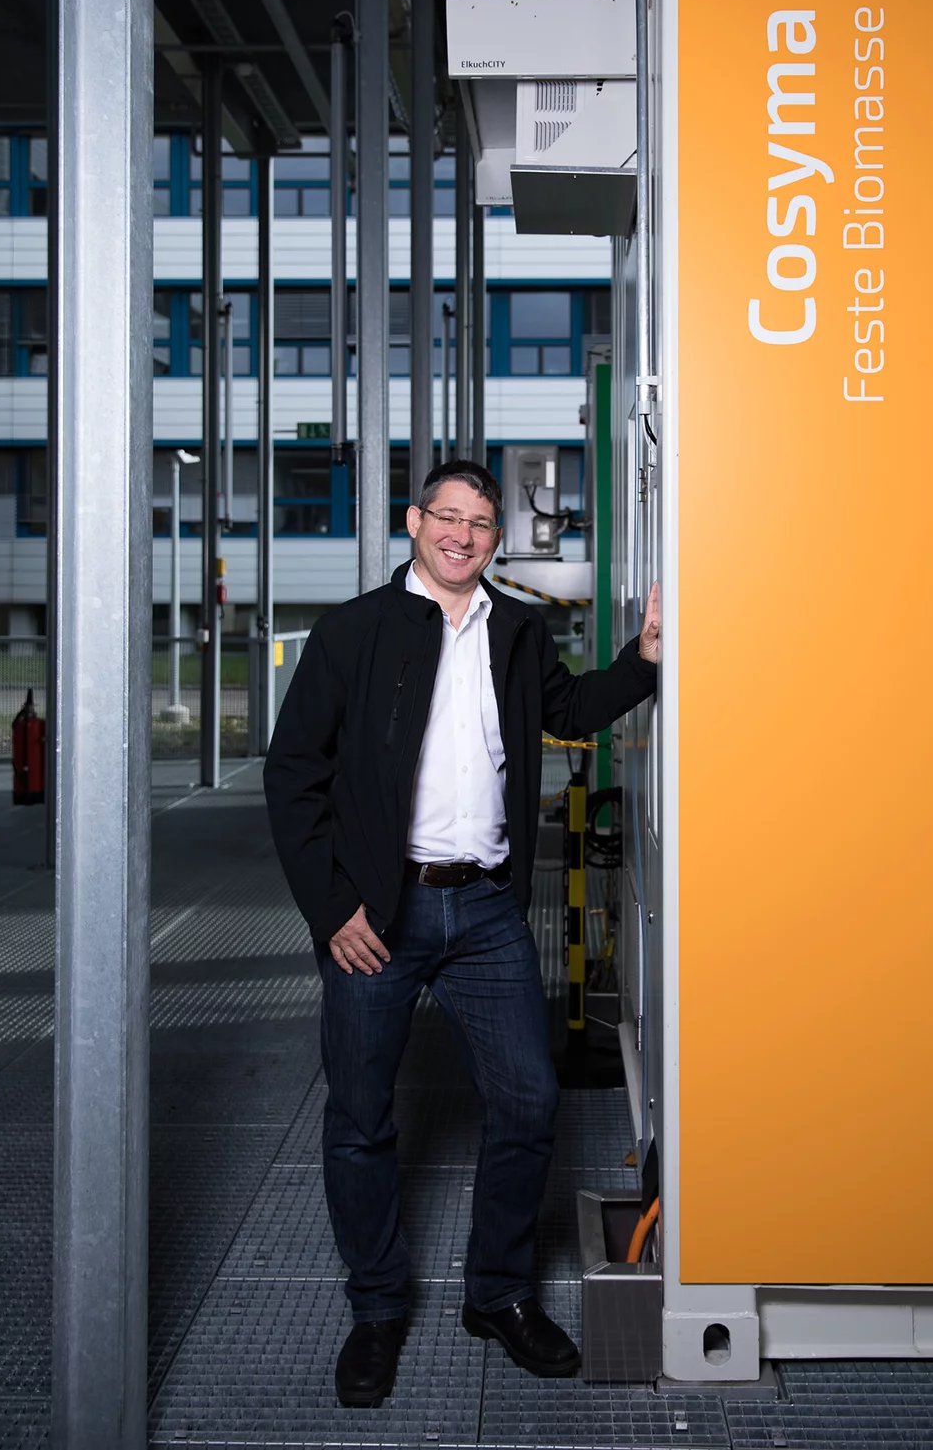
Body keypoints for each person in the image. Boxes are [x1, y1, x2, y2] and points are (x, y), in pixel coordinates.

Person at [264, 459, 660, 1407]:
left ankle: (499, 1294)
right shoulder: (353, 631)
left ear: (495, 539)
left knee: (528, 1101)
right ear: (414, 521)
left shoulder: (517, 631)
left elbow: (568, 713)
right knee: (361, 1116)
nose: (463, 535)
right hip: (377, 914)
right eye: (447, 516)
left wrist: (644, 660)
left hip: (483, 909)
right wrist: (333, 908)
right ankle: (376, 1309)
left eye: (480, 523)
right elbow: (293, 774)